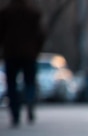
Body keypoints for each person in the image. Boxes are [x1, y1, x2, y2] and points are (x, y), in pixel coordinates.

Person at [0, 0, 45, 128]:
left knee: (12, 85)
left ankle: (15, 114)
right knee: (29, 82)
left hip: (11, 53)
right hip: (29, 54)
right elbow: (40, 34)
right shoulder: (33, 13)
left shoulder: (6, 13)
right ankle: (30, 101)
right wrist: (37, 49)